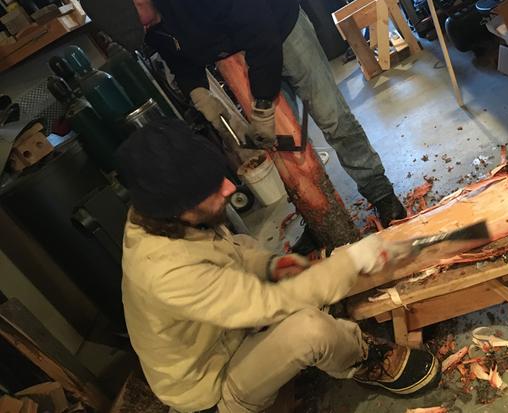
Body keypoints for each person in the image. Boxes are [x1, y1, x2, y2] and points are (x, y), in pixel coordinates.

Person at [79, 0, 407, 227]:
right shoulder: (141, 14)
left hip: (277, 24)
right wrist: (197, 91)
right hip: (230, 47)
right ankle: (319, 214)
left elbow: (259, 30)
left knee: (331, 116)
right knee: (281, 144)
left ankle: (381, 194)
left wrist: (263, 102)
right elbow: (173, 52)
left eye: (144, 24)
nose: (147, 30)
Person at [116, 119, 439, 413]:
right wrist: (350, 262)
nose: (230, 187)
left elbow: (234, 251)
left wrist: (274, 265)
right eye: (212, 188)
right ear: (178, 207)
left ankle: (328, 333)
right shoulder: (165, 271)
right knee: (309, 328)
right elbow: (271, 305)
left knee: (259, 256)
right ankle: (363, 361)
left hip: (228, 335)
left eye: (219, 178)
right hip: (212, 389)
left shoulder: (169, 218)